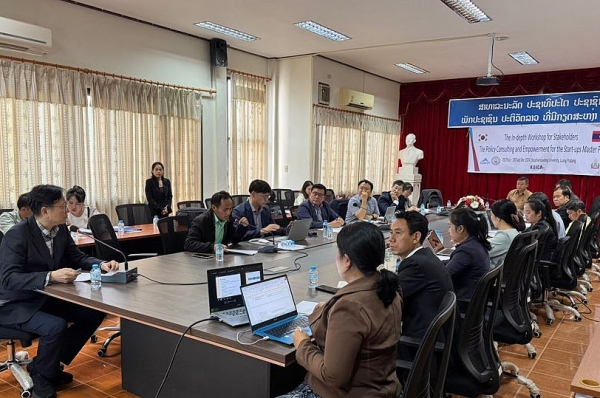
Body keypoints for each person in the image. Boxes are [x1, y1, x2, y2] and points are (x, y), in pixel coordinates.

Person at [0, 184, 119, 398]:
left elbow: (77, 258)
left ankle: (48, 366)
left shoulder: (60, 229)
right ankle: (42, 376)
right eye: (63, 205)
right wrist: (50, 276)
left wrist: (100, 264)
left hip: (45, 297)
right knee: (55, 326)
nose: (68, 210)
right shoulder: (17, 235)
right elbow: (8, 279)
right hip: (15, 303)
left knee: (94, 311)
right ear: (45, 211)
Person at [280, 222, 402, 398]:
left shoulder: (350, 307)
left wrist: (302, 344)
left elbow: (332, 376)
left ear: (346, 260)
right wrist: (331, 307)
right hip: (383, 386)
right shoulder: (388, 288)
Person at [387, 211, 453, 371]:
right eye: (391, 233)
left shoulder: (416, 265)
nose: (391, 239)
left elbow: (386, 299)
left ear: (416, 237)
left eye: (398, 233)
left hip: (420, 348)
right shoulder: (424, 257)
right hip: (433, 339)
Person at [444, 207, 491, 302]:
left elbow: (444, 275)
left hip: (462, 303)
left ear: (460, 229)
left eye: (450, 226)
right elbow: (451, 263)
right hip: (474, 300)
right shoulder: (475, 243)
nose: (448, 231)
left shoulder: (466, 251)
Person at [184, 191, 249, 253]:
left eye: (230, 209)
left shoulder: (228, 219)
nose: (228, 213)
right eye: (225, 209)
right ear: (214, 207)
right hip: (203, 258)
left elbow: (233, 240)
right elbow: (189, 244)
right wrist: (212, 247)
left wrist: (242, 227)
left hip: (221, 256)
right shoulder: (201, 221)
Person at [488, 199, 526, 268]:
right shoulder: (515, 231)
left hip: (496, 275)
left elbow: (481, 252)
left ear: (498, 218)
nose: (490, 217)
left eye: (491, 215)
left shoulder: (504, 237)